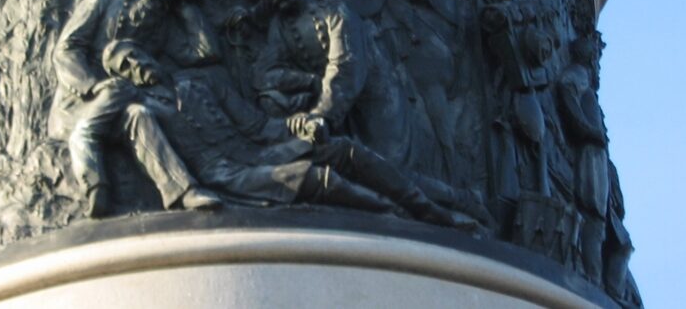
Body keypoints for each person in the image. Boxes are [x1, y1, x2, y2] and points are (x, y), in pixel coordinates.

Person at [100, 39, 489, 231]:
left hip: (255, 152)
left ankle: (430, 211)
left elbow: (256, 126)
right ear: (123, 77)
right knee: (316, 178)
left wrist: (300, 124)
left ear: (148, 53)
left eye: (135, 54)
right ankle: (398, 217)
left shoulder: (200, 84)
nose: (136, 64)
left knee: (343, 150)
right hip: (225, 175)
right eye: (125, 65)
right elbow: (91, 132)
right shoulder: (143, 111)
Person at [47, 0, 221, 217]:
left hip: (125, 102)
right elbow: (66, 49)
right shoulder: (103, 1)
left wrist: (187, 10)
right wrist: (92, 85)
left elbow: (205, 53)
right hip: (81, 100)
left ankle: (183, 191)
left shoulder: (159, 29)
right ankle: (95, 185)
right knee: (97, 118)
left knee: (140, 115)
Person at [253, 0, 415, 164]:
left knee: (390, 170)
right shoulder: (281, 28)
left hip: (375, 103)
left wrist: (322, 114)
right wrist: (310, 81)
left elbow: (347, 66)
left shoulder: (336, 11)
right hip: (334, 110)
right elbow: (264, 75)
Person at [557, 35, 610, 283]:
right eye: (597, 57)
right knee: (593, 215)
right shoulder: (579, 74)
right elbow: (565, 87)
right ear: (590, 57)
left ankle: (594, 276)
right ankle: (592, 277)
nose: (598, 64)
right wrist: (586, 129)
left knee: (597, 219)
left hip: (596, 155)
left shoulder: (586, 82)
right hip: (590, 155)